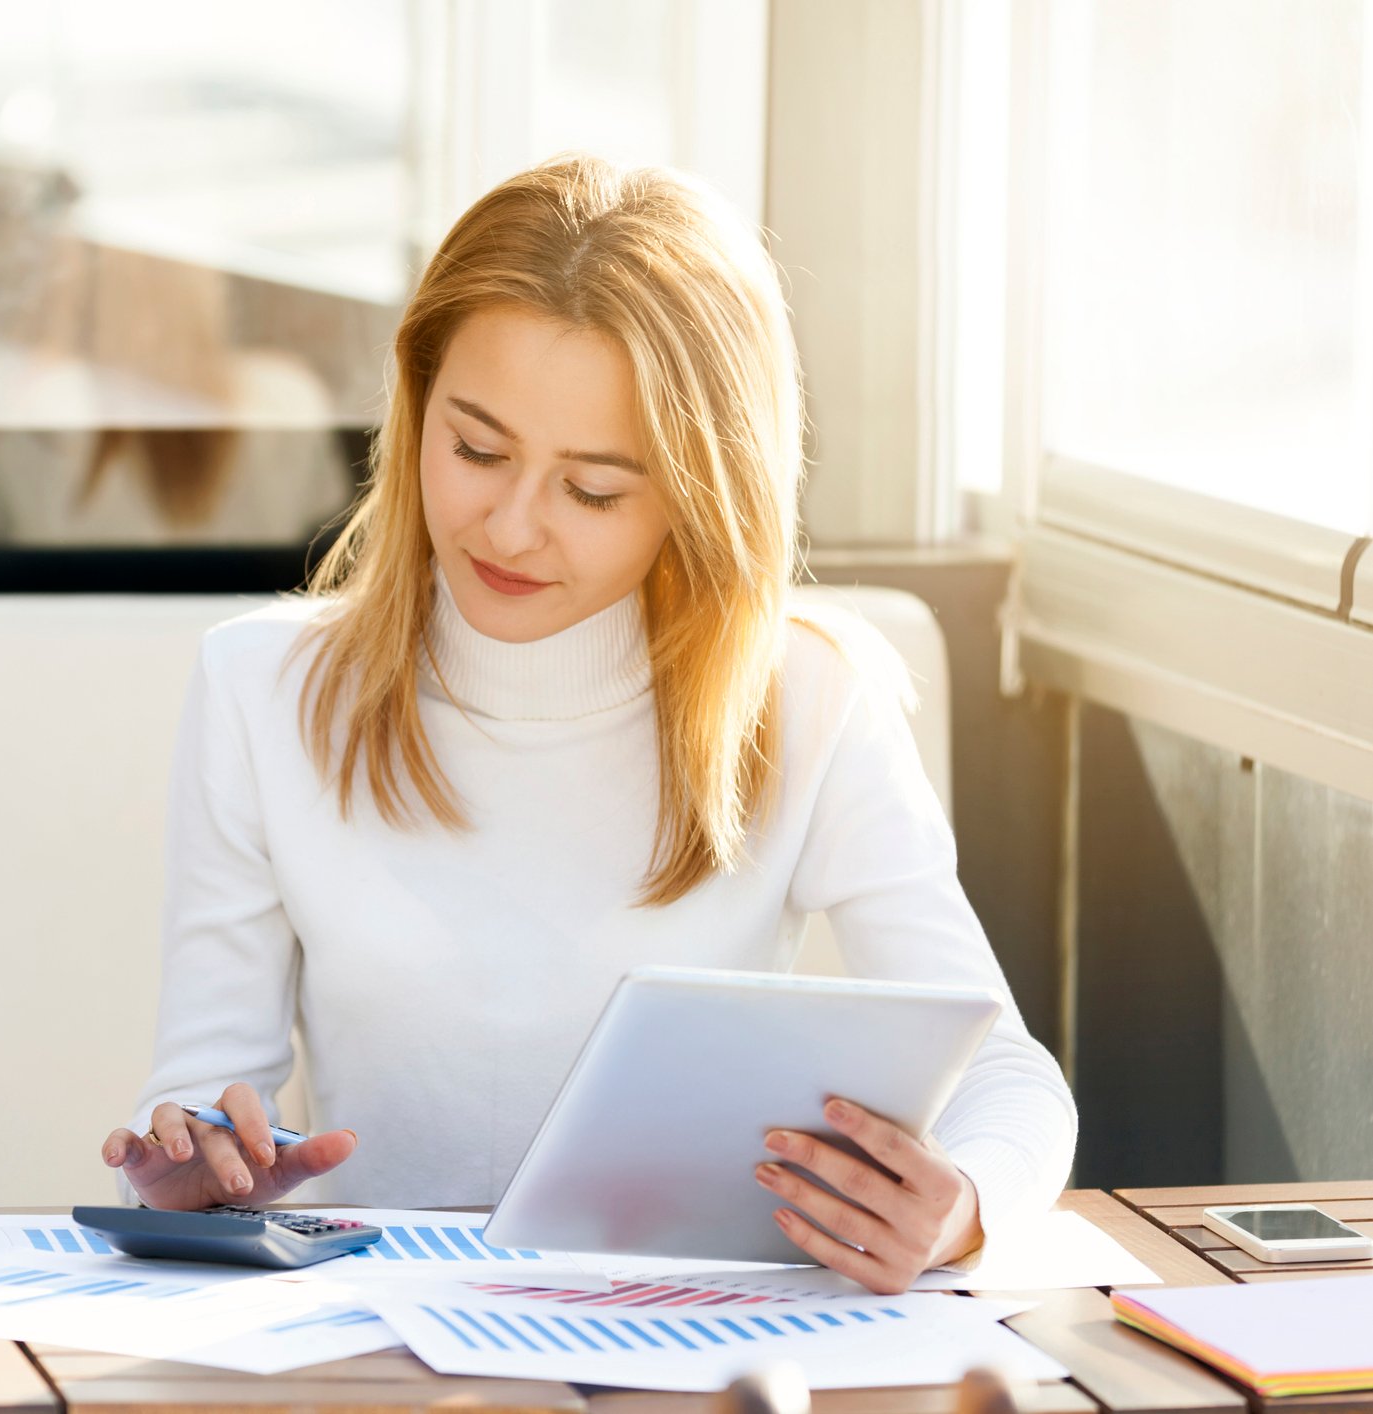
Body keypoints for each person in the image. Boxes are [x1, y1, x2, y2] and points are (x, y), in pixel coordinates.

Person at [98, 154, 1077, 1294]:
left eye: (595, 490)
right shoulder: (259, 688)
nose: (510, 527)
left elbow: (1008, 1079)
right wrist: (193, 1173)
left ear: (702, 493)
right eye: (475, 448)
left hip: (694, 1334)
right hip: (382, 1339)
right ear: (417, 404)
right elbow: (207, 1097)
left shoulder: (810, 697)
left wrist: (960, 1204)